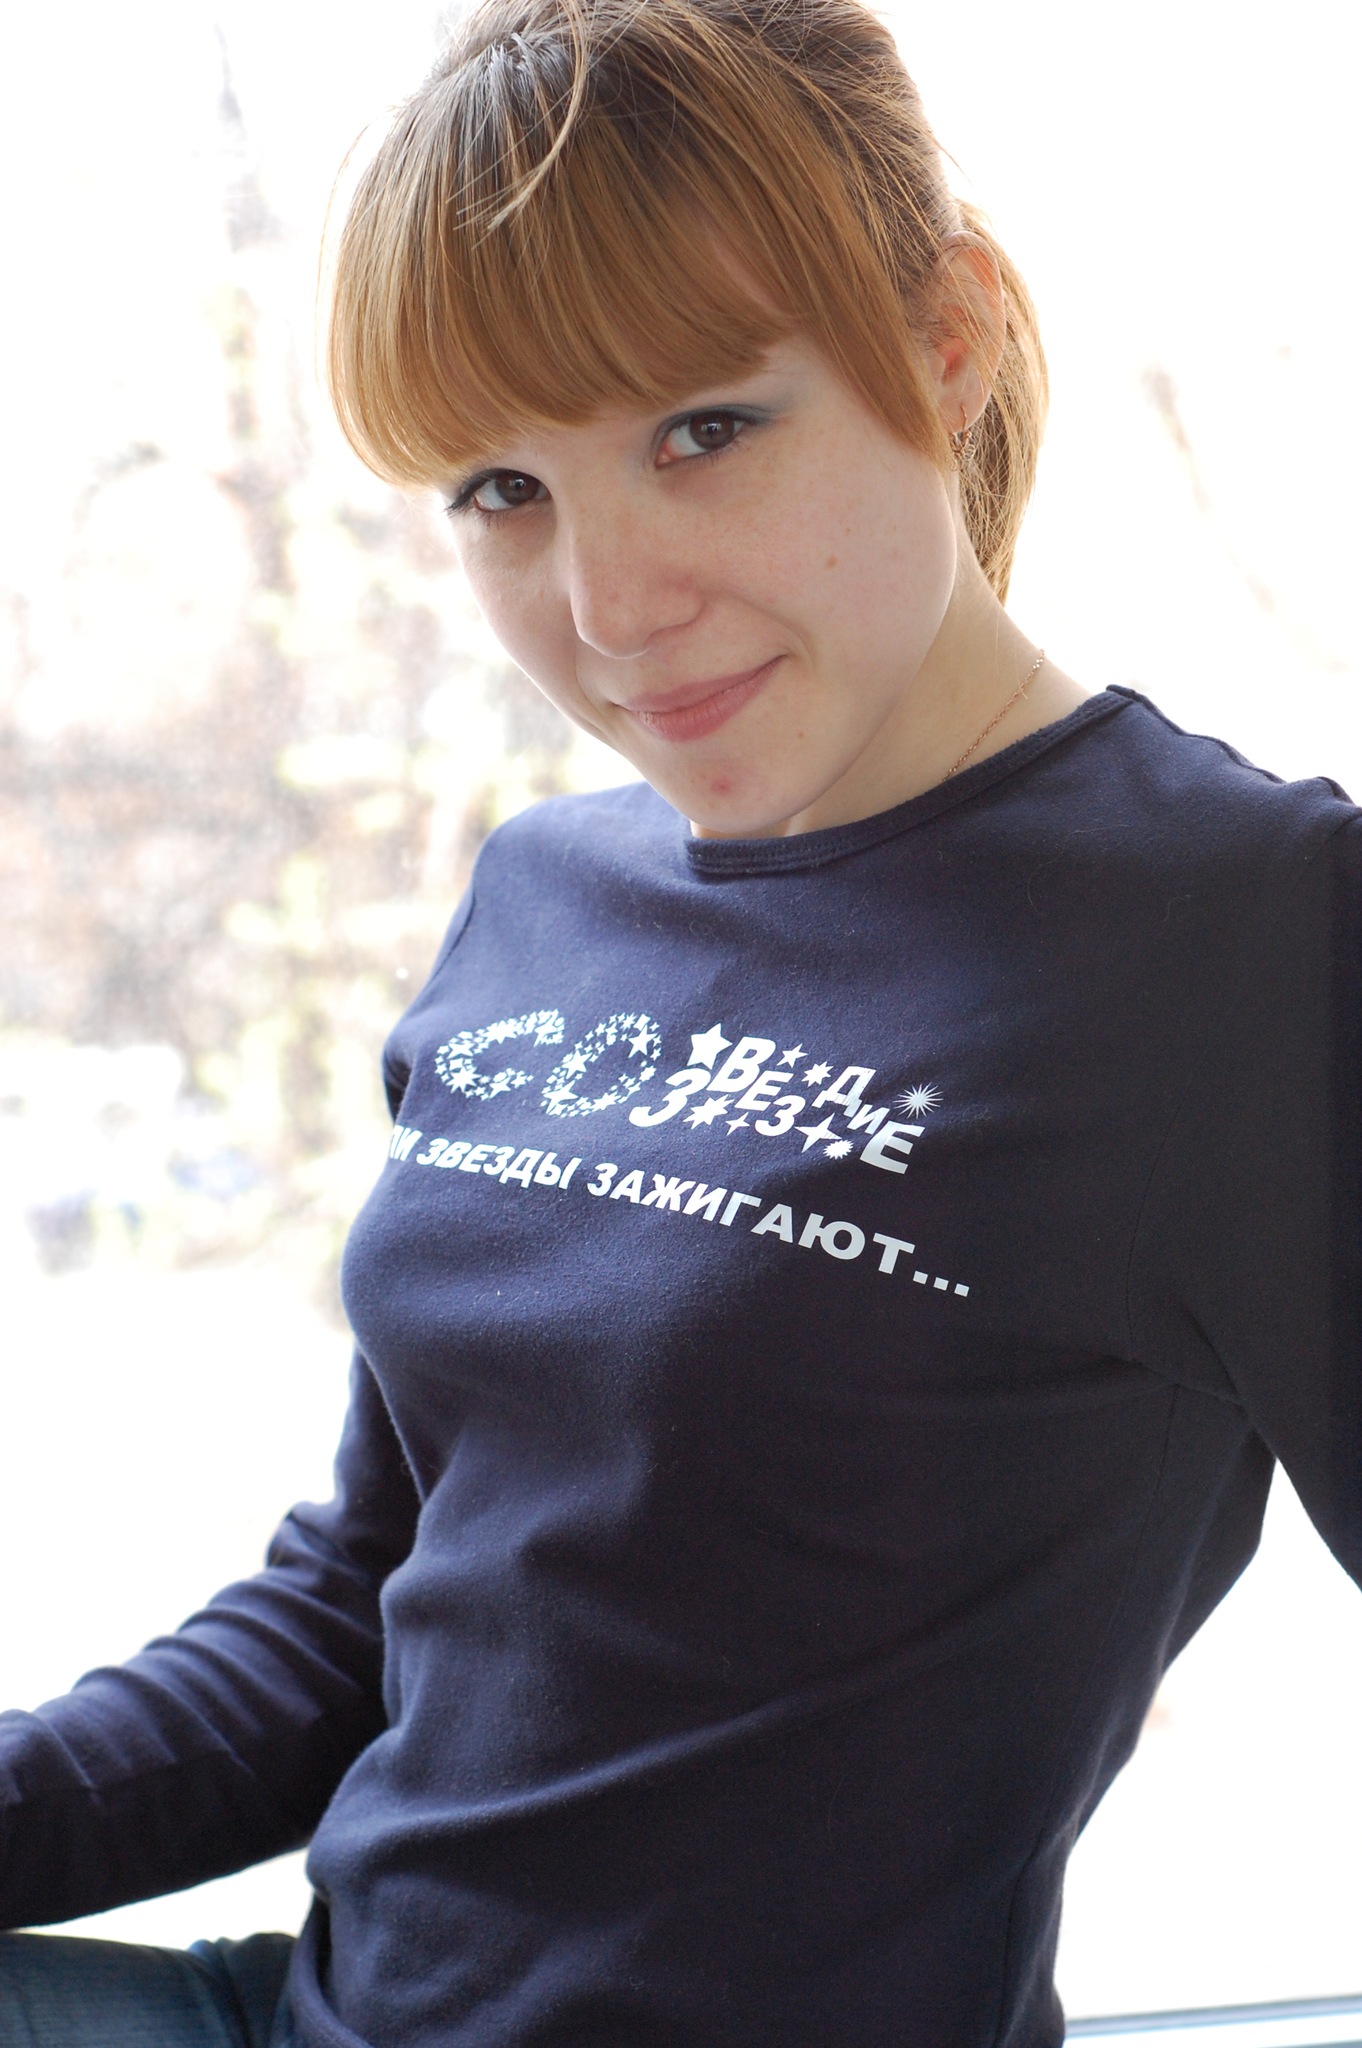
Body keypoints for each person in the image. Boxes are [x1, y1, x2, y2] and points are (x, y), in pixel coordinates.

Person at [1, 0, 1359, 2043]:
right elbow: (356, 1617)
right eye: (501, 489)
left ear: (948, 336)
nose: (607, 608)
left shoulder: (1247, 935)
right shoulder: (542, 895)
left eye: (703, 431)